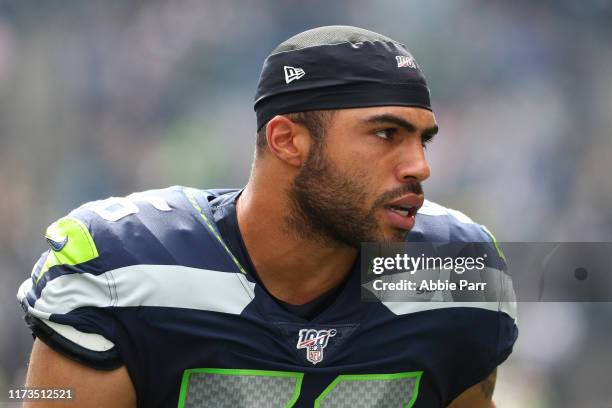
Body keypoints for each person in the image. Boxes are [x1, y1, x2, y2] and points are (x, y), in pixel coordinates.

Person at [17, 26, 517, 407]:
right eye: (386, 133)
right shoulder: (123, 267)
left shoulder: (455, 274)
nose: (420, 167)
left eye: (422, 139)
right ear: (287, 140)